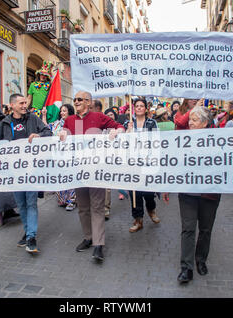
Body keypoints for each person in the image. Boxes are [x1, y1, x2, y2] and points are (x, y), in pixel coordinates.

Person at [59, 91, 125, 262]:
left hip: (96, 170)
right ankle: (88, 237)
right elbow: (62, 136)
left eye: (79, 99)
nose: (76, 102)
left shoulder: (98, 117)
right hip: (78, 171)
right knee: (82, 207)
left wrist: (116, 132)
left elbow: (119, 126)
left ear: (88, 102)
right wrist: (62, 135)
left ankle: (98, 244)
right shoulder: (69, 120)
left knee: (97, 207)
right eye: (74, 99)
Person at [162, 106, 221, 284]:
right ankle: (186, 267)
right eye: (190, 120)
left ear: (204, 123)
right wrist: (167, 185)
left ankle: (200, 260)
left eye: (194, 120)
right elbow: (172, 161)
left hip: (209, 193)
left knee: (205, 229)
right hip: (187, 192)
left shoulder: (219, 139)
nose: (190, 123)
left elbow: (232, 158)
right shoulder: (182, 139)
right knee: (188, 229)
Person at [3, 93, 52, 254]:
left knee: (30, 203)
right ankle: (27, 231)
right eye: (21, 103)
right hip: (15, 171)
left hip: (32, 170)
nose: (25, 105)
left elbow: (48, 132)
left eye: (26, 103)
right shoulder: (5, 122)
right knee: (21, 204)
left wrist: (38, 135)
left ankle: (31, 237)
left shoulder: (32, 118)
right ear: (12, 106)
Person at [124, 99, 160, 233]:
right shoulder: (128, 122)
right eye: (137, 106)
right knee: (135, 192)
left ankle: (151, 210)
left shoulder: (152, 123)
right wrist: (128, 130)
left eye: (141, 106)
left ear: (146, 108)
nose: (139, 108)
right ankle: (138, 219)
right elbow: (124, 142)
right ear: (134, 108)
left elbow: (156, 141)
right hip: (133, 163)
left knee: (149, 192)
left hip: (148, 162)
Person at [43, 103, 77, 211]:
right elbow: (45, 128)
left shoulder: (76, 122)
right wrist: (44, 115)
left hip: (71, 154)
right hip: (58, 155)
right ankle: (62, 199)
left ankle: (72, 200)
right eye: (61, 111)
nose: (62, 113)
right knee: (60, 176)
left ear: (70, 112)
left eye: (65, 111)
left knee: (70, 177)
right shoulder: (56, 124)